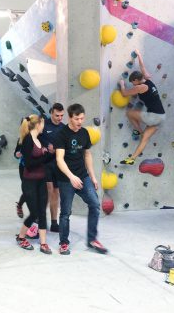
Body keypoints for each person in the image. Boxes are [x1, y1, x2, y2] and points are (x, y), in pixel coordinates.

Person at [54, 103, 107, 255]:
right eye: (77, 118)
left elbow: (87, 154)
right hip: (66, 179)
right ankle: (64, 243)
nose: (80, 122)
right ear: (70, 118)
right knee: (65, 213)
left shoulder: (84, 133)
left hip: (83, 176)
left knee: (95, 204)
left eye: (82, 118)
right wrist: (71, 177)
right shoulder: (62, 134)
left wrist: (93, 176)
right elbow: (59, 159)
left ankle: (92, 239)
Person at [119, 49, 166, 165]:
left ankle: (139, 130)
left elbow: (125, 93)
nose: (133, 84)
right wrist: (139, 55)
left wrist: (122, 85)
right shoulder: (147, 78)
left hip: (153, 116)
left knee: (129, 114)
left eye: (133, 82)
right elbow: (142, 66)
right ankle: (132, 159)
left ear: (136, 80)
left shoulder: (140, 87)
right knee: (145, 138)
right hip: (161, 116)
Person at [15, 115, 53, 254]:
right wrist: (45, 156)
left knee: (42, 212)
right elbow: (30, 164)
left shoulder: (39, 139)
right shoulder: (27, 141)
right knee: (34, 212)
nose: (44, 126)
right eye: (43, 123)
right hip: (29, 182)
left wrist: (51, 153)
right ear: (38, 125)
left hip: (41, 180)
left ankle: (43, 243)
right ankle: (21, 237)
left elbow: (44, 159)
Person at [39, 103, 65, 232]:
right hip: (44, 164)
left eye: (61, 115)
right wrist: (45, 145)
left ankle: (54, 223)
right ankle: (39, 218)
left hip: (57, 165)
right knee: (47, 192)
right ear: (51, 113)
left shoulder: (63, 128)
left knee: (56, 193)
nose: (59, 118)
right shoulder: (44, 125)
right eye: (57, 115)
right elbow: (35, 139)